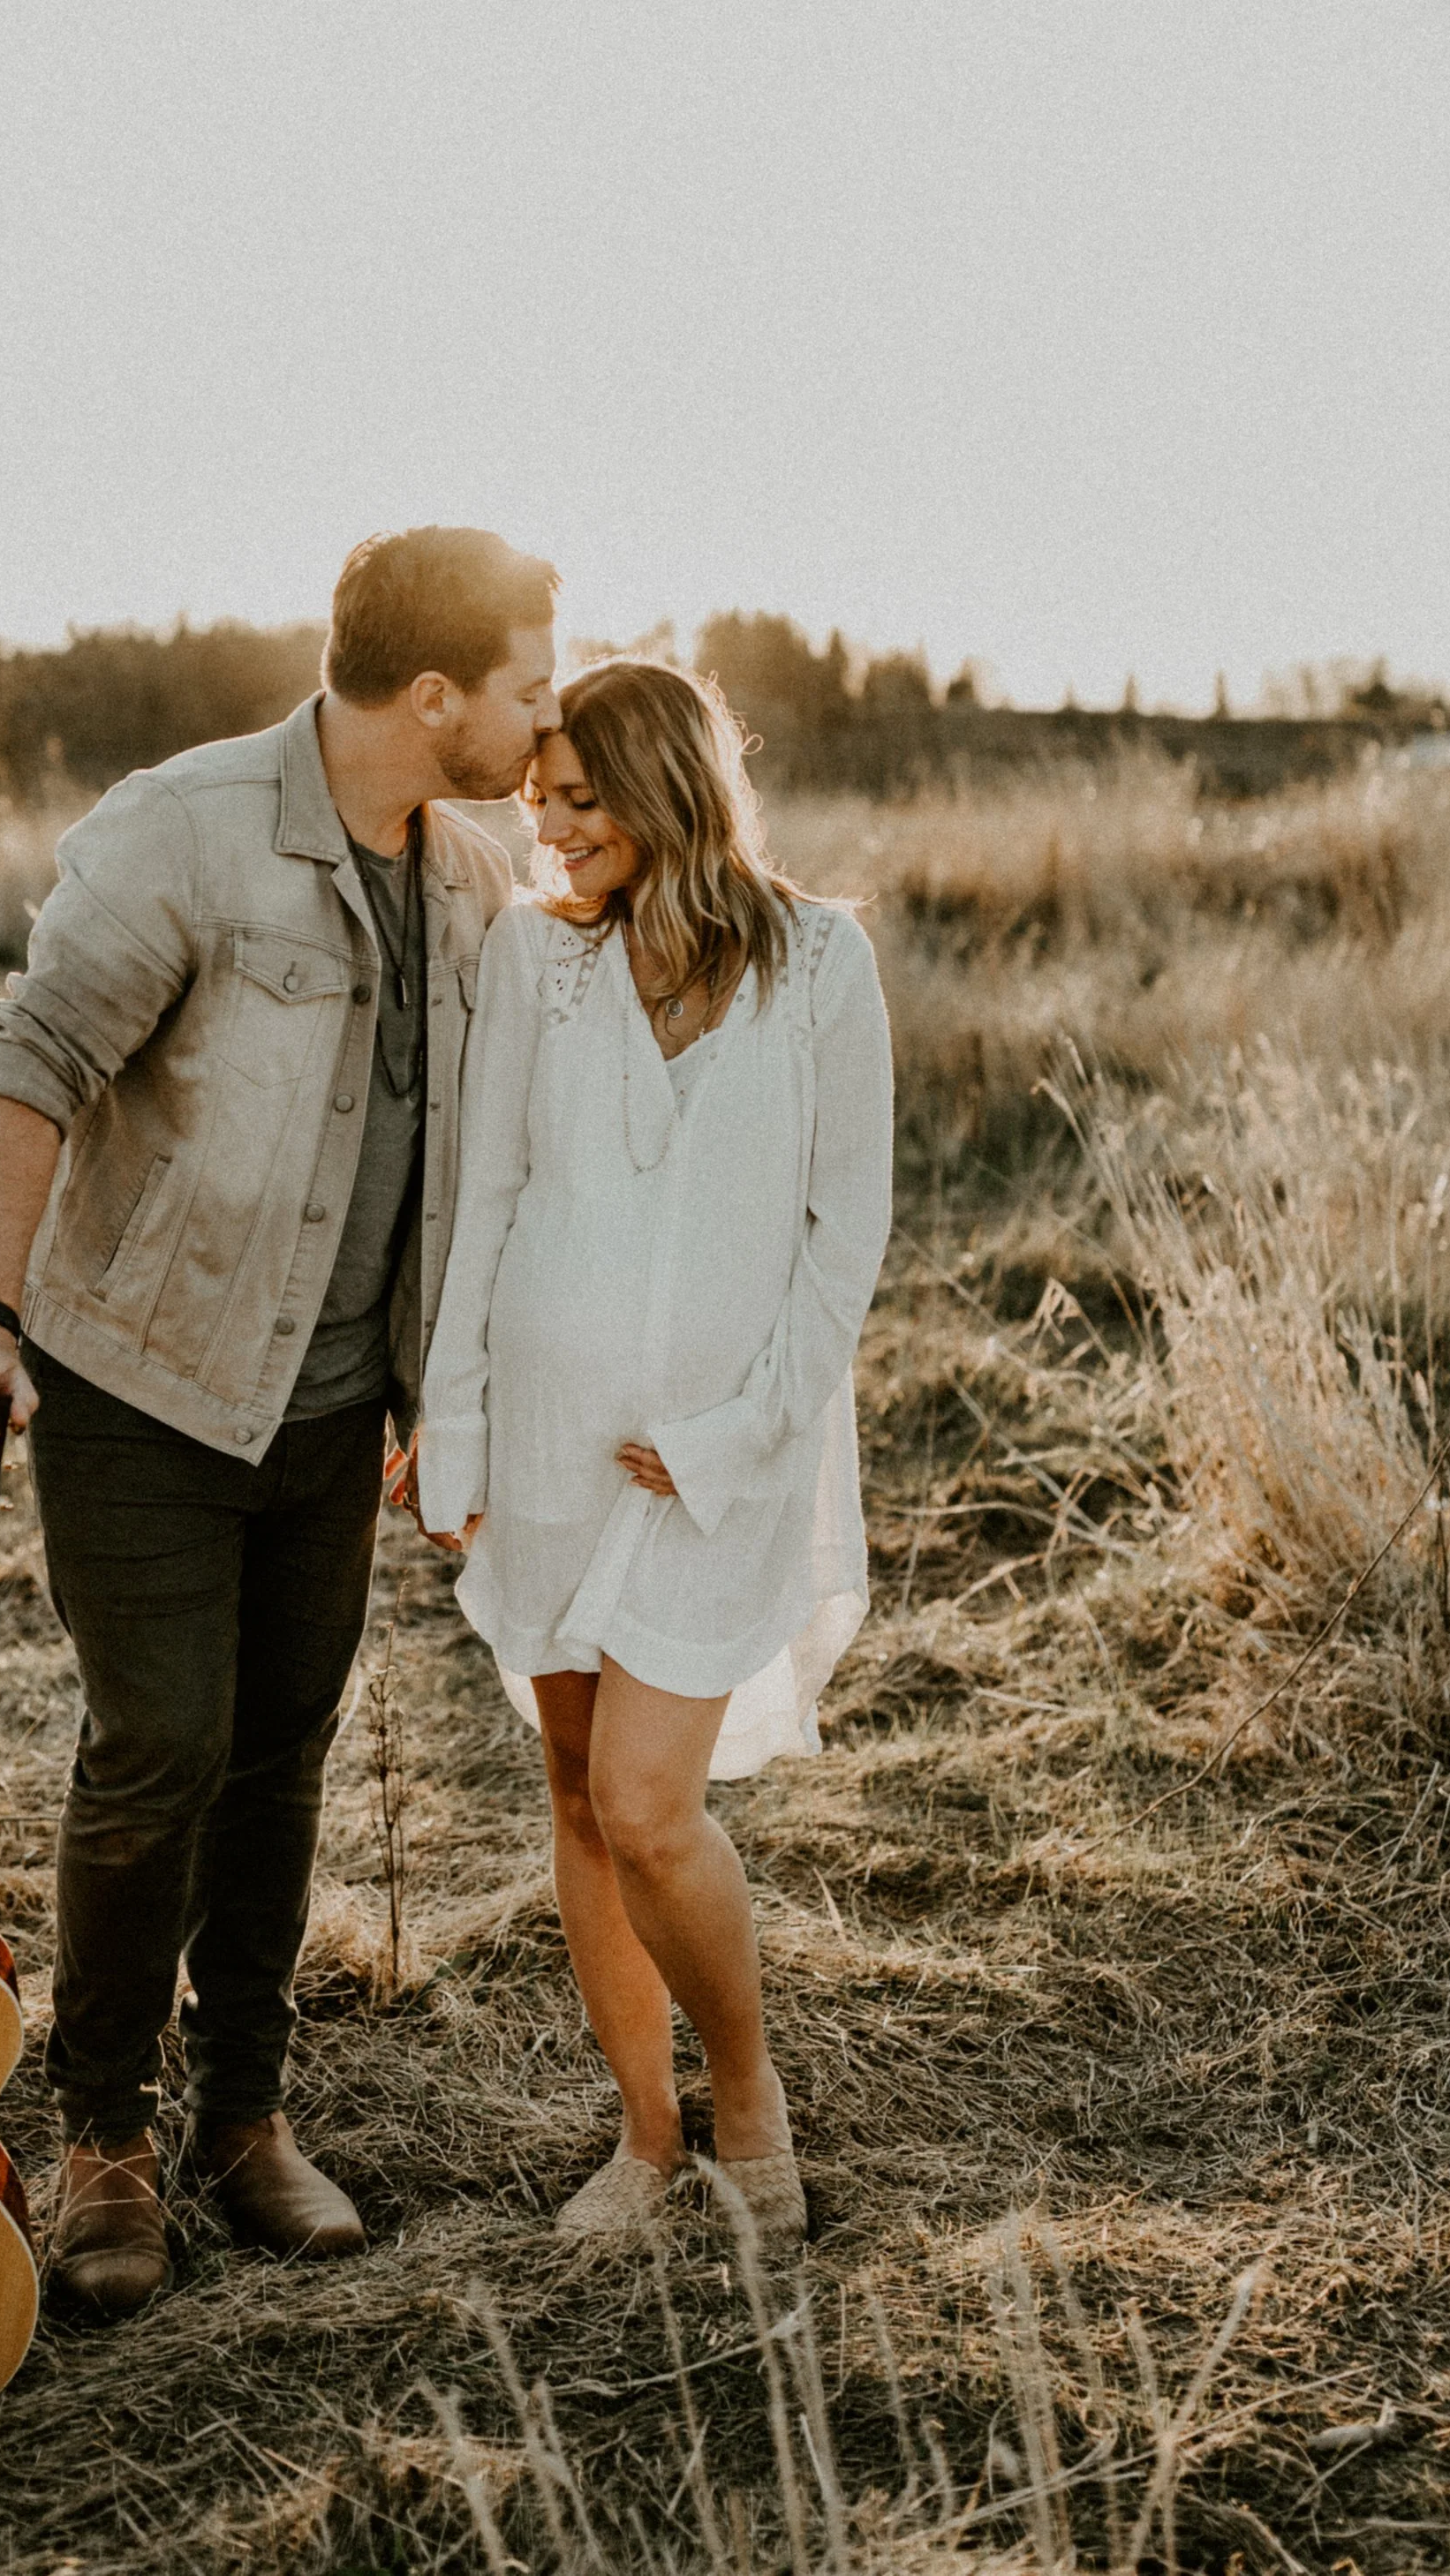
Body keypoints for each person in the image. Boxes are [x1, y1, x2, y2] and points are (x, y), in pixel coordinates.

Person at [0, 526, 559, 2317]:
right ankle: (102, 2131)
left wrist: (449, 1390)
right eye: (524, 685)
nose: (537, 716)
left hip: (334, 1417)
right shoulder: (180, 829)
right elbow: (23, 1063)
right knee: (160, 1740)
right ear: (433, 695)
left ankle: (239, 2119)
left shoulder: (476, 875)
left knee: (277, 1756)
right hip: (142, 1390)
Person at [416, 658, 893, 2248]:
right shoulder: (534, 964)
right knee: (571, 1783)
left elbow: (844, 1246)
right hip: (546, 1449)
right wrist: (460, 1426)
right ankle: (643, 2135)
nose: (546, 826)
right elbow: (487, 1202)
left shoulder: (822, 966)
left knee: (649, 1800)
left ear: (671, 783)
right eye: (538, 798)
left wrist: (730, 1436)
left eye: (578, 795)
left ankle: (745, 2092)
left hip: (714, 1463)